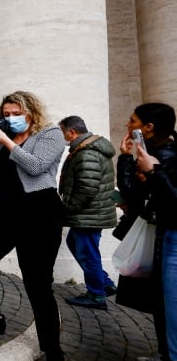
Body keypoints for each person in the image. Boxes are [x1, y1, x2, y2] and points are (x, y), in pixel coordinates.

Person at [0, 90, 65, 361]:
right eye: (7, 114)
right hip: (3, 212)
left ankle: (53, 350)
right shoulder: (0, 137)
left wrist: (7, 142)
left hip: (40, 214)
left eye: (16, 114)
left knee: (37, 284)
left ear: (31, 113)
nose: (11, 119)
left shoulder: (50, 134)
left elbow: (35, 166)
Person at [117, 103, 177, 361]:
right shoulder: (153, 154)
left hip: (173, 234)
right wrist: (129, 159)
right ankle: (167, 357)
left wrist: (150, 172)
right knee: (162, 299)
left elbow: (168, 198)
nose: (128, 124)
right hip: (162, 232)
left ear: (148, 127)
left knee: (172, 302)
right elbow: (133, 191)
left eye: (133, 120)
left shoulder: (166, 157)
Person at [58, 115, 118, 310]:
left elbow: (86, 188)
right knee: (76, 244)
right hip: (91, 213)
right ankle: (105, 283)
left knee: (88, 254)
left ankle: (96, 295)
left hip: (89, 215)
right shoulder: (85, 149)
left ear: (72, 132)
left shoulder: (87, 153)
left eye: (63, 132)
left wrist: (68, 208)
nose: (63, 136)